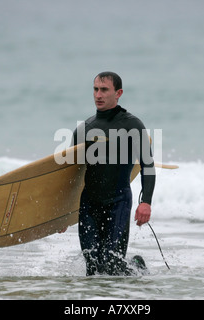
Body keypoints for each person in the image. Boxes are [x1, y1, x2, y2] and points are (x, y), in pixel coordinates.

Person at [71, 71, 156, 276]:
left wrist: (146, 201)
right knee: (92, 267)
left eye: (104, 90)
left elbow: (148, 165)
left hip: (118, 201)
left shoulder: (132, 125)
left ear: (118, 93)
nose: (98, 95)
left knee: (112, 264)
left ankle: (136, 266)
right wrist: (61, 216)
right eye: (95, 89)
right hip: (89, 204)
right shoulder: (84, 129)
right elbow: (72, 176)